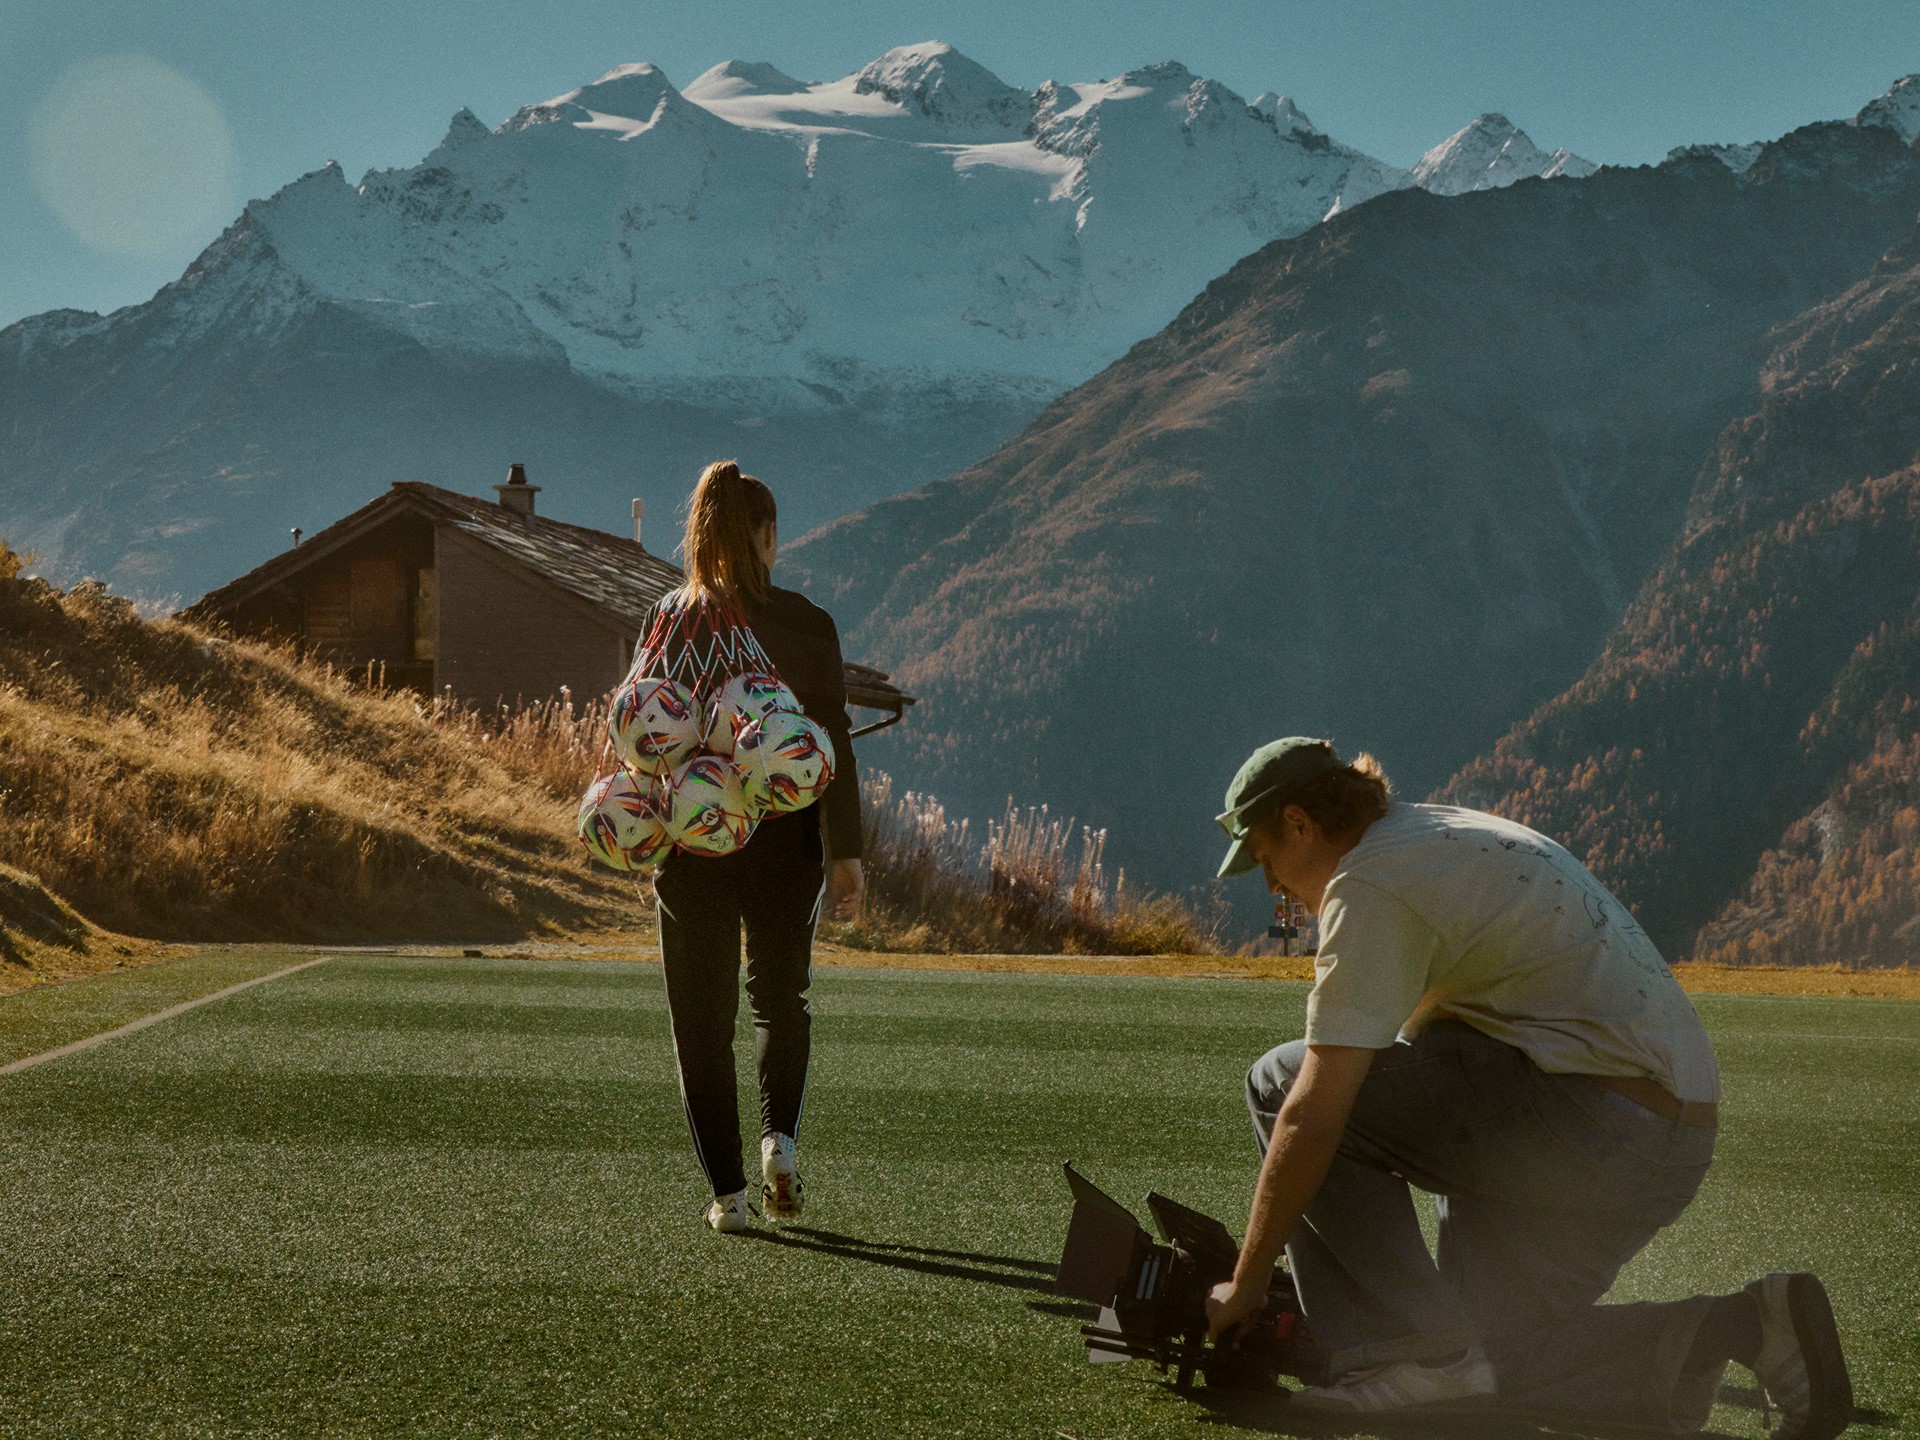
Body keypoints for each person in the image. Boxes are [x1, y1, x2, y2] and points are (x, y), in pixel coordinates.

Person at [1202, 737, 1854, 1438]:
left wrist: (1246, 1282)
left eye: (1266, 858)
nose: (1271, 886)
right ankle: (1744, 1327)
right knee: (1493, 1362)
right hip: (1668, 1145)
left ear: (1300, 823)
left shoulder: (1372, 881)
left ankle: (1408, 1359)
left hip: (1595, 1123)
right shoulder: (1437, 830)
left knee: (1283, 1080)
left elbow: (1314, 1114)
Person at [643, 460, 865, 1235]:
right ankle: (779, 1142)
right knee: (780, 998)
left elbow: (643, 735)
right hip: (787, 840)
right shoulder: (809, 623)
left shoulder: (670, 618)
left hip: (693, 841)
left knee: (699, 1018)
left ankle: (729, 1198)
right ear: (767, 536)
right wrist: (846, 852)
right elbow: (832, 741)